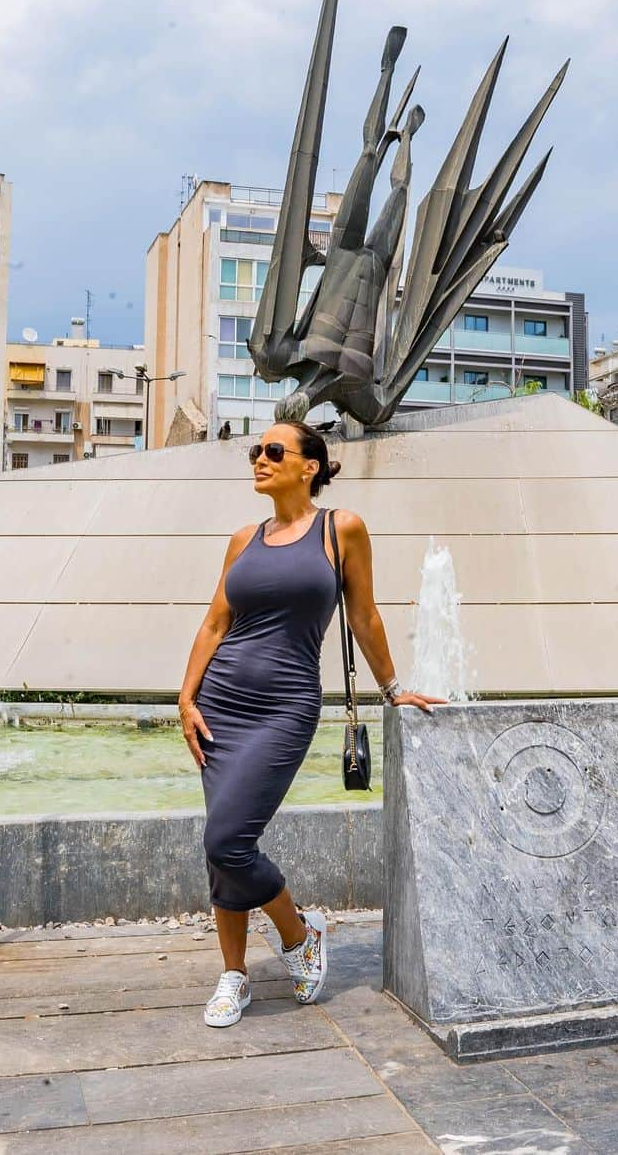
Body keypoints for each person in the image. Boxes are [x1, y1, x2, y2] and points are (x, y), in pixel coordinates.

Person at [177, 420, 443, 1027]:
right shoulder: (243, 538)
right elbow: (215, 623)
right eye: (255, 451)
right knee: (224, 844)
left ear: (310, 466)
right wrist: (186, 699)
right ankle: (234, 974)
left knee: (227, 841)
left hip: (284, 707)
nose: (259, 460)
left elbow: (364, 615)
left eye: (273, 451)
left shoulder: (340, 528)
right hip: (221, 704)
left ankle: (299, 936)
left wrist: (393, 690)